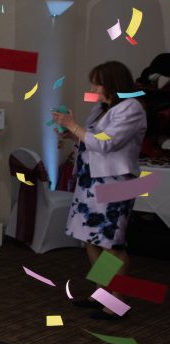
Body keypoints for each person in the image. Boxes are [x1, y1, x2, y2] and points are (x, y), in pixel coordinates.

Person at [52, 61, 146, 320]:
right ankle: (103, 293)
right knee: (90, 241)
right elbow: (90, 140)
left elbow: (106, 144)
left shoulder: (132, 109)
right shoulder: (100, 109)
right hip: (90, 182)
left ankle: (118, 301)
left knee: (112, 245)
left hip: (115, 184)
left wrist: (72, 125)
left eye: (97, 82)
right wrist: (70, 134)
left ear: (113, 84)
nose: (93, 88)